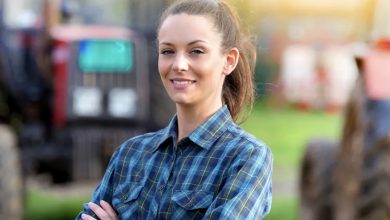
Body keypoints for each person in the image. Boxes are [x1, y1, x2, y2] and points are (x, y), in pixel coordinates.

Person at [77, 0, 273, 219]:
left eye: (196, 51)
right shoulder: (129, 154)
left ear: (228, 61)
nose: (178, 64)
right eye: (168, 51)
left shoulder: (246, 157)